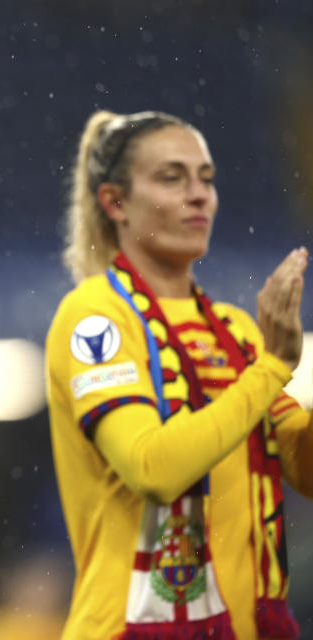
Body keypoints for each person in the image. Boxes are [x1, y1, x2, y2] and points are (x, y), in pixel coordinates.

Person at [46, 109, 313, 640]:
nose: (199, 195)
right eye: (172, 178)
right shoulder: (96, 316)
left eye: (206, 179)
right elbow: (153, 468)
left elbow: (304, 468)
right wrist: (272, 370)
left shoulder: (236, 332)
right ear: (115, 202)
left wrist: (267, 369)